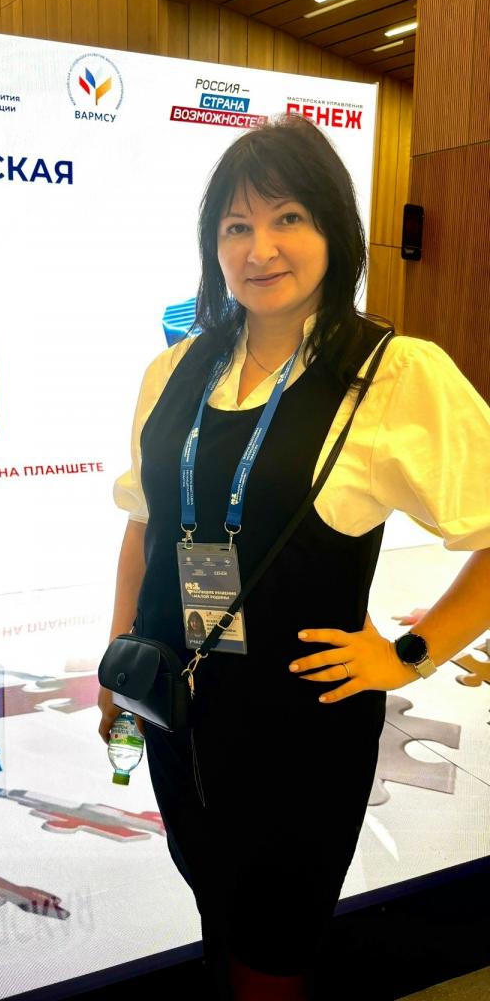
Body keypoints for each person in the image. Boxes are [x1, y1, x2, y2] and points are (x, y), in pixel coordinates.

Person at [97, 114, 490, 1001]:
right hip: (179, 705)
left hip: (299, 729)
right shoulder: (176, 370)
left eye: (288, 218)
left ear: (334, 232)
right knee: (214, 904)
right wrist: (120, 655)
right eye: (236, 225)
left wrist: (409, 654)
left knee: (275, 945)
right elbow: (145, 524)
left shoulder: (393, 373)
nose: (260, 248)